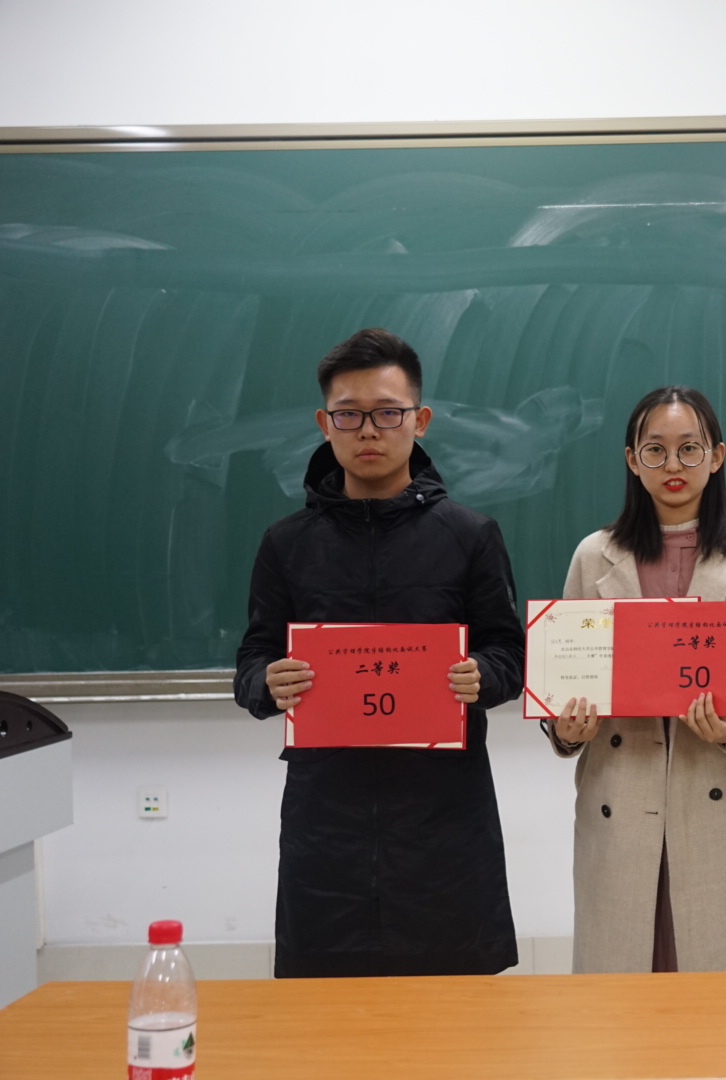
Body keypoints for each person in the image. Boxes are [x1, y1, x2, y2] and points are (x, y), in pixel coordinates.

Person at [233, 327, 524, 978]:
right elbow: (252, 660)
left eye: (388, 413)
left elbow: (510, 651)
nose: (368, 430)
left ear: (420, 420)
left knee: (455, 1012)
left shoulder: (471, 536)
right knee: (327, 1015)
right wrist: (265, 682)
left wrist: (484, 675)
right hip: (326, 822)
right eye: (349, 414)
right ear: (324, 423)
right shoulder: (286, 543)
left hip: (444, 818)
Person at [546, 386, 726, 973]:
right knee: (628, 998)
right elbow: (563, 682)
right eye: (655, 450)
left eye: (689, 448)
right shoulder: (593, 556)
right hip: (621, 801)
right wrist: (567, 729)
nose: (673, 465)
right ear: (632, 461)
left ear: (716, 456)